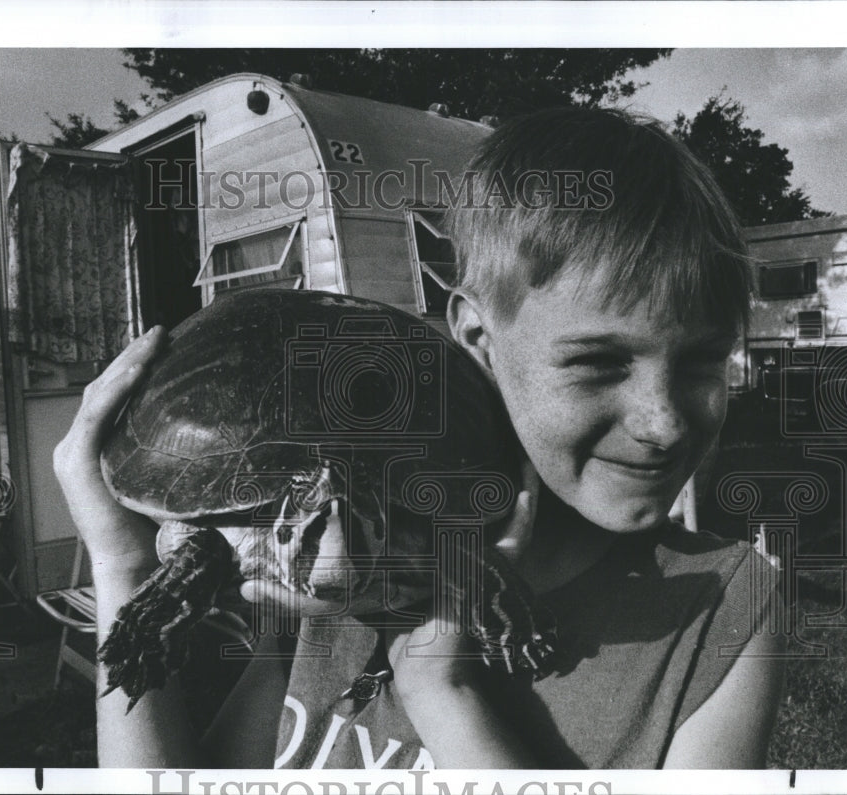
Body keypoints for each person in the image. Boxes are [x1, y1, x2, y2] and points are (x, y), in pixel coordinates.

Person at [53, 105, 784, 769]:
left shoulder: (723, 610)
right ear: (476, 338)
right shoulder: (334, 551)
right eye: (599, 361)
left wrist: (438, 681)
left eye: (701, 361)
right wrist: (122, 567)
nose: (664, 421)